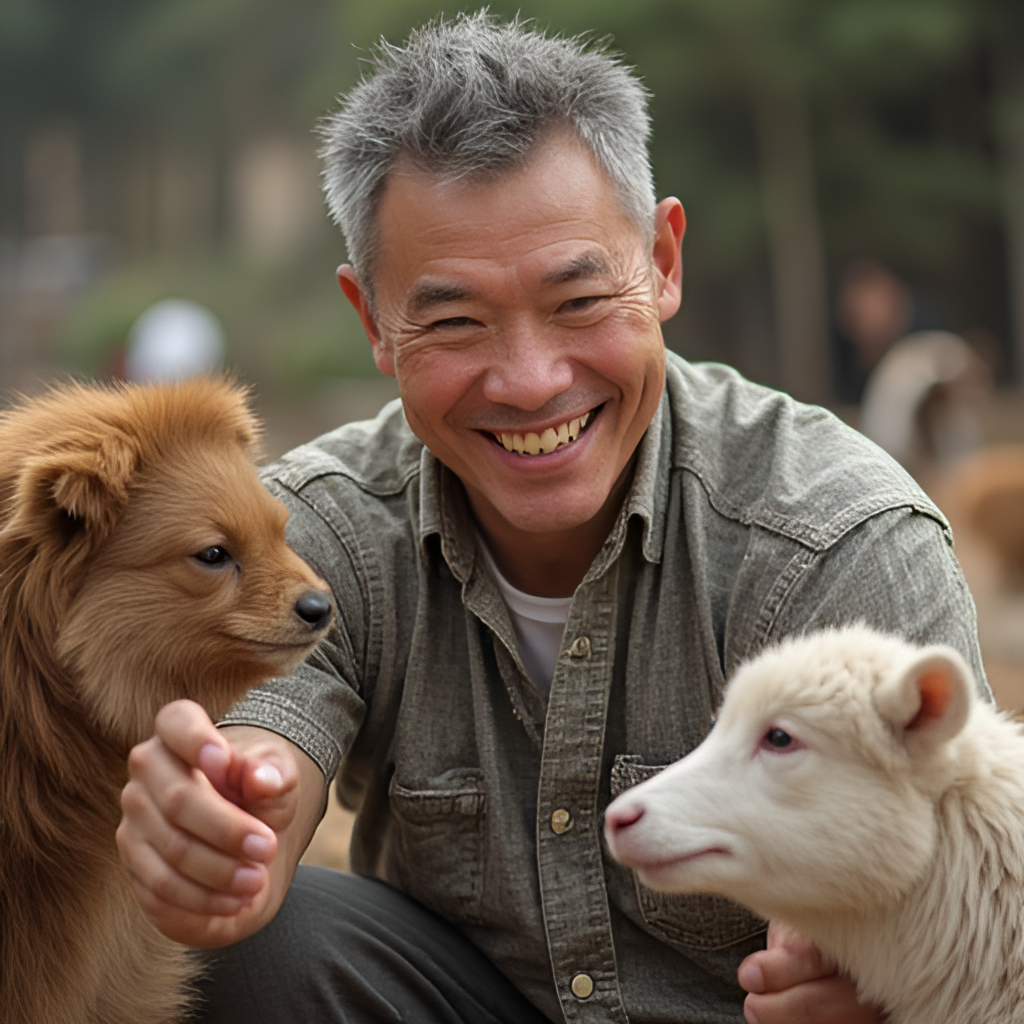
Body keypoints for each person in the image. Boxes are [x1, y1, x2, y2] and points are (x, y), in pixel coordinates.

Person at [117, 14, 987, 1024]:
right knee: (256, 946)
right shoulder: (312, 535)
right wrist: (223, 829)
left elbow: (978, 897)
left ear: (662, 261)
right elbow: (264, 745)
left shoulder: (837, 542)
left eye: (578, 302)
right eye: (455, 320)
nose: (530, 382)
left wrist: (901, 988)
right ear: (374, 322)